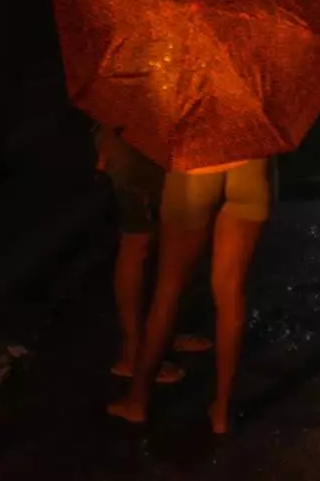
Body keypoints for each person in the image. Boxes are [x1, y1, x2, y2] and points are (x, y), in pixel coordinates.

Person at [108, 157, 275, 434]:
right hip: (252, 167)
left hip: (194, 170)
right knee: (231, 291)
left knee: (168, 290)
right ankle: (221, 410)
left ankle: (137, 401)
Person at [92, 123, 212, 385]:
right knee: (138, 241)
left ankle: (159, 334)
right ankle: (133, 354)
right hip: (131, 140)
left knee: (161, 237)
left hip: (158, 136)